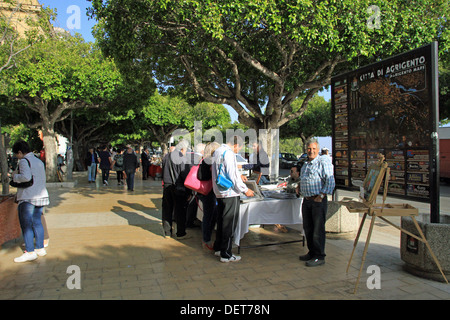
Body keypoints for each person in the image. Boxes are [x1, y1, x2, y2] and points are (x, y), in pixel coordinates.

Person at [212, 135, 254, 262]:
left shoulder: (218, 151)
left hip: (219, 191)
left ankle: (219, 248)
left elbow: (224, 171)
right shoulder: (229, 153)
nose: (238, 151)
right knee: (229, 223)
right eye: (239, 149)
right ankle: (226, 253)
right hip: (230, 192)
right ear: (236, 145)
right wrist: (245, 189)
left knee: (221, 221)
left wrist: (238, 174)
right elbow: (231, 175)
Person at [297, 139, 335, 267]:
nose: (311, 151)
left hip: (317, 201)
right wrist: (299, 186)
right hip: (307, 200)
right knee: (308, 228)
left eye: (313, 149)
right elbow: (304, 179)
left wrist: (322, 195)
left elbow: (330, 180)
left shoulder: (322, 161)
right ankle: (312, 252)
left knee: (317, 230)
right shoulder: (306, 164)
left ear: (318, 150)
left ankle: (319, 256)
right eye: (309, 149)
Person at [11, 141, 50, 263]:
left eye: (16, 154)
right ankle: (40, 248)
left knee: (26, 225)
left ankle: (30, 251)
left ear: (20, 152)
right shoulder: (38, 161)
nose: (16, 156)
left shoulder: (24, 161)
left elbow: (26, 177)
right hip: (40, 196)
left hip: (28, 197)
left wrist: (14, 176)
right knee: (37, 222)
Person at [161, 140, 192, 239]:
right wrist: (189, 192)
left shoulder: (166, 157)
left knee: (167, 210)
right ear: (183, 149)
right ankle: (181, 233)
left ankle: (167, 232)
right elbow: (185, 175)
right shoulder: (182, 158)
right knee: (180, 211)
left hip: (167, 186)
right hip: (178, 187)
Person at [196, 142, 219, 250]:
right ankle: (206, 240)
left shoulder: (204, 160)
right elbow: (204, 177)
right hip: (209, 193)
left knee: (210, 216)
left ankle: (207, 239)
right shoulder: (209, 162)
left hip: (205, 193)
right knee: (209, 217)